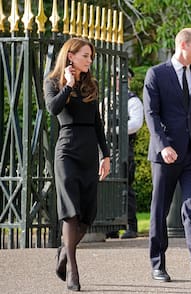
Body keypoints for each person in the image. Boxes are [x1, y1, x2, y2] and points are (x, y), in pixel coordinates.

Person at [143, 28, 191, 284]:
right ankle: (157, 264)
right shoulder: (156, 74)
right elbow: (151, 114)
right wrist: (163, 145)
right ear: (183, 46)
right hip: (166, 155)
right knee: (160, 210)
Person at [44, 37, 110, 291]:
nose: (89, 60)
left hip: (88, 153)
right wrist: (68, 86)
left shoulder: (91, 85)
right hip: (67, 152)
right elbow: (53, 108)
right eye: (85, 55)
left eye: (91, 57)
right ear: (70, 56)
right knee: (71, 211)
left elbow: (98, 123)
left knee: (87, 214)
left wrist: (105, 155)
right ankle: (73, 268)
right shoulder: (53, 82)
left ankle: (64, 251)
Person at [120, 68, 144, 239]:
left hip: (125, 146)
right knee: (107, 185)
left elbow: (135, 123)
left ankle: (131, 225)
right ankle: (111, 225)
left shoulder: (132, 100)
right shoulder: (107, 98)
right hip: (108, 146)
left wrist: (113, 130)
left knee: (126, 186)